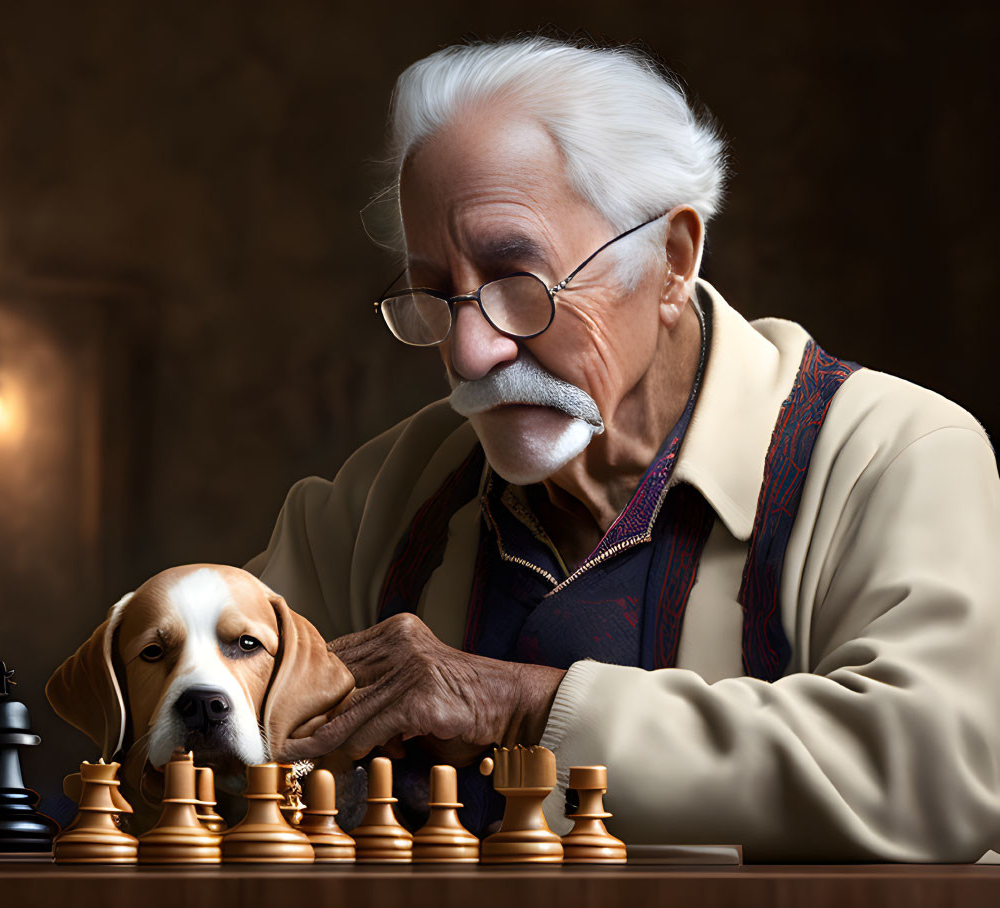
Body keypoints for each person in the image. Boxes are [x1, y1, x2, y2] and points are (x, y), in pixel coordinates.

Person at [245, 36, 1000, 861]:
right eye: (434, 293)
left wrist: (523, 705)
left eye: (515, 281)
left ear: (671, 261)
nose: (467, 353)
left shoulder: (891, 454)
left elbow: (944, 775)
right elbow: (188, 720)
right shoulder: (380, 499)